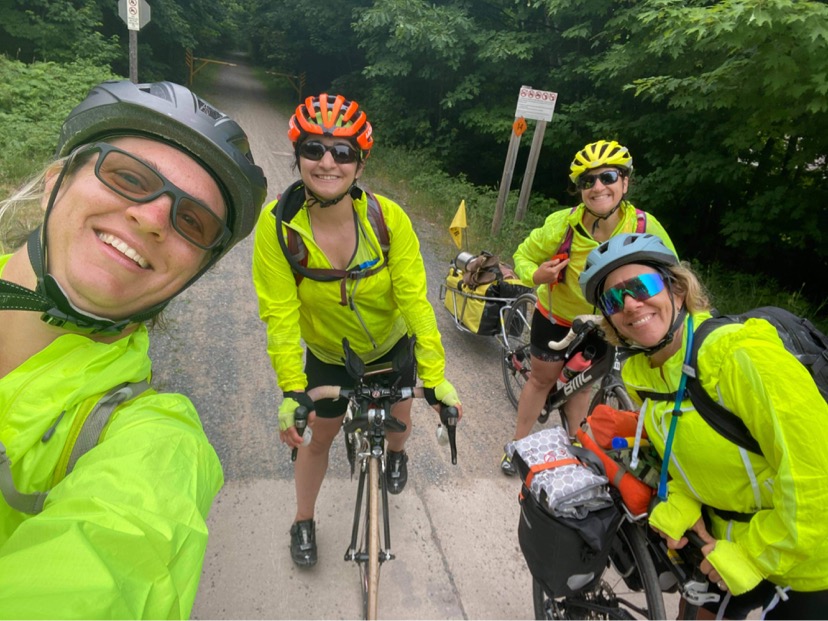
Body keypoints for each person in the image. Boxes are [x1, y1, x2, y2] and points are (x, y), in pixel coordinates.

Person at [0, 80, 267, 618]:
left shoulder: (156, 445)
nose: (151, 218)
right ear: (56, 180)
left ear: (194, 272)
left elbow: (100, 573)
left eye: (192, 221)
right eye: (128, 177)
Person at [251, 93, 462, 568]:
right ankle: (303, 519)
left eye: (343, 152)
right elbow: (279, 313)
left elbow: (415, 300)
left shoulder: (389, 220)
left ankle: (397, 453)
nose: (328, 162)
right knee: (318, 439)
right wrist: (291, 388)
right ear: (298, 156)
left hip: (391, 343)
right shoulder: (277, 226)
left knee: (400, 422)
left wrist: (436, 375)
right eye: (314, 149)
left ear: (360, 164)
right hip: (328, 353)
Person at [579, 233, 828, 619]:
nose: (630, 304)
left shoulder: (742, 359)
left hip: (810, 565)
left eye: (641, 286)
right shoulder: (645, 375)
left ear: (677, 289)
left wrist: (754, 556)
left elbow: (818, 480)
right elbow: (685, 451)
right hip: (719, 549)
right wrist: (681, 498)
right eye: (612, 300)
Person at [500, 140, 676, 476]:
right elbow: (523, 254)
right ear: (580, 190)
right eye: (588, 181)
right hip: (555, 315)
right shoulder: (563, 224)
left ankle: (575, 451)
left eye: (608, 177)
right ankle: (517, 447)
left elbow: (674, 273)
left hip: (607, 323)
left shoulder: (643, 226)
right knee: (541, 380)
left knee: (582, 387)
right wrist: (535, 274)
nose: (598, 187)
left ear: (625, 182)